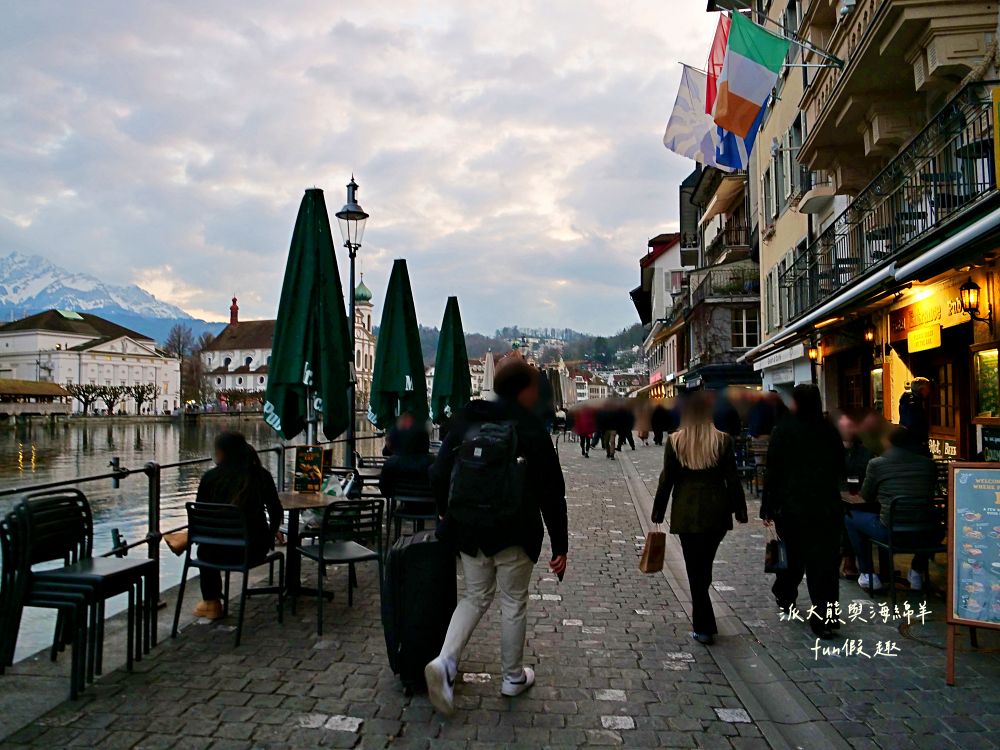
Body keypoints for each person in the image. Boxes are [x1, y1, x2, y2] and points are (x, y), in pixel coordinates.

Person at [425, 358, 568, 715]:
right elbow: (552, 491)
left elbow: (439, 471)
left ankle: (445, 662)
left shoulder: (467, 417)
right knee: (512, 602)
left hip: (470, 528)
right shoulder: (531, 427)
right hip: (515, 530)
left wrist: (445, 510)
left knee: (474, 596)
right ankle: (512, 677)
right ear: (525, 390)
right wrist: (560, 545)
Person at [651, 393, 748, 645]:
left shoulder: (676, 442)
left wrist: (658, 510)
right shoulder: (721, 441)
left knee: (695, 568)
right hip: (716, 512)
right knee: (703, 566)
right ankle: (704, 618)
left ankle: (703, 626)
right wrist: (740, 509)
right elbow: (732, 478)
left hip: (686, 512)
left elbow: (667, 480)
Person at [761, 384, 844, 639]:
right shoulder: (827, 430)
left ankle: (785, 595)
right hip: (825, 507)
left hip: (792, 507)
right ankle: (825, 619)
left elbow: (772, 470)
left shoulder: (784, 430)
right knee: (825, 565)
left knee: (794, 558)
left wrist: (768, 506)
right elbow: (841, 465)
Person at [192, 432, 283, 619]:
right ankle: (212, 602)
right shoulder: (261, 475)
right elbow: (276, 511)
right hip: (251, 551)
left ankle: (211, 602)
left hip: (214, 552)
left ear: (220, 452)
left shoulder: (210, 478)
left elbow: (200, 516)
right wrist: (271, 535)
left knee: (203, 549)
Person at [844, 426, 939, 592]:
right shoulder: (928, 465)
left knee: (850, 516)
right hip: (928, 533)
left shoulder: (877, 463)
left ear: (888, 442)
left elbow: (865, 496)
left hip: (891, 532)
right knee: (923, 520)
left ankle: (867, 573)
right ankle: (916, 572)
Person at [838, 414, 874, 579]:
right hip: (838, 495)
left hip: (859, 495)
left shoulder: (865, 452)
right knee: (845, 515)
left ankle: (851, 558)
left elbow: (867, 474)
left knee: (850, 515)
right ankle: (848, 557)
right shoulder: (833, 450)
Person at [898, 377, 932, 455]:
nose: (928, 391)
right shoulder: (913, 403)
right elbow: (912, 422)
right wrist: (922, 441)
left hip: (911, 442)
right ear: (921, 389)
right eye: (927, 389)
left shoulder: (911, 400)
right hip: (914, 443)